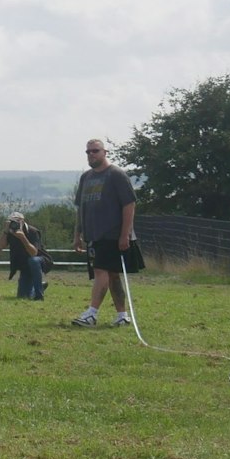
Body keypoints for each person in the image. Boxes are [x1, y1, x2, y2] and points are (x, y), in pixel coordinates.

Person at [70, 138, 137, 327]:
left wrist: (125, 234)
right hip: (93, 234)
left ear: (104, 152)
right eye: (88, 152)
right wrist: (78, 234)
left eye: (95, 151)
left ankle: (92, 314)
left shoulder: (116, 175)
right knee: (112, 274)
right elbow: (80, 208)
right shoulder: (86, 177)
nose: (91, 155)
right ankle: (122, 315)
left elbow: (129, 204)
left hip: (112, 234)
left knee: (101, 271)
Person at [0, 212, 46, 299]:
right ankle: (39, 287)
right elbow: (0, 247)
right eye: (11, 221)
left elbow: (34, 253)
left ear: (23, 221)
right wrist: (5, 231)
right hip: (25, 266)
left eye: (17, 221)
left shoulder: (32, 231)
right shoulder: (10, 232)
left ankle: (39, 294)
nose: (14, 224)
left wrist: (23, 238)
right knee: (23, 296)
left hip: (39, 262)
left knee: (33, 261)